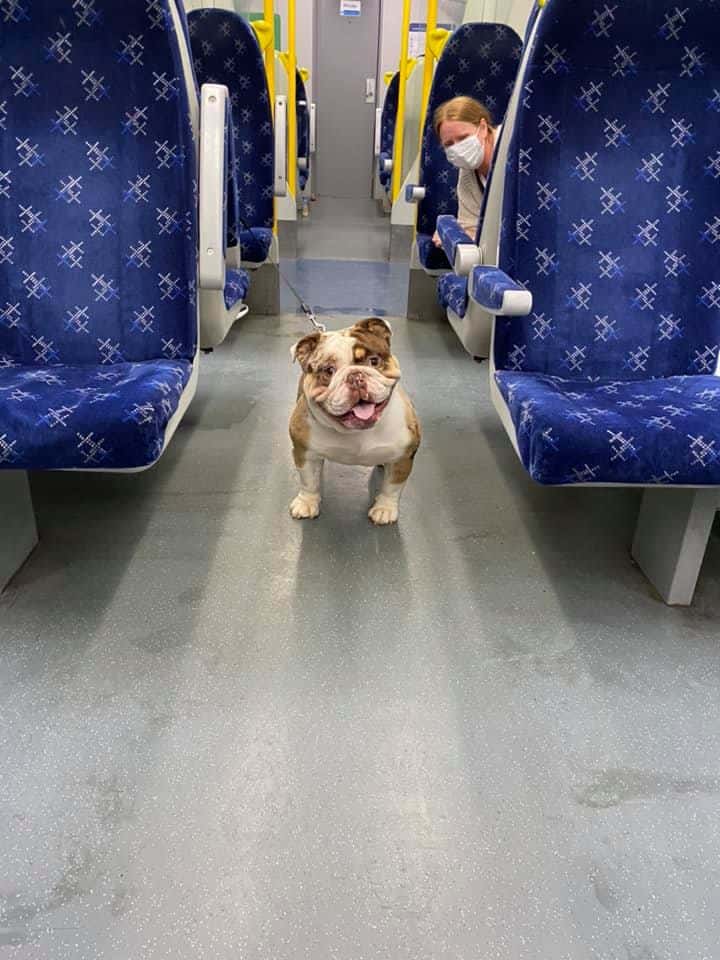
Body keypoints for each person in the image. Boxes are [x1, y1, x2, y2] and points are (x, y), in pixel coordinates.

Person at [431, 96, 502, 246]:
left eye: (463, 138)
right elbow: (470, 228)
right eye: (449, 144)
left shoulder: (514, 150)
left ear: (483, 128)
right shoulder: (467, 174)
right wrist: (451, 234)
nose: (458, 148)